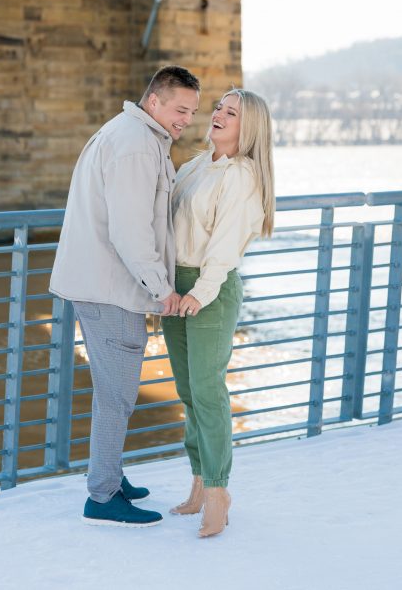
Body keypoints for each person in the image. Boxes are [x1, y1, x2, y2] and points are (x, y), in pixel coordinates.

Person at [50, 66, 200, 527]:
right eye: (180, 109)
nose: (187, 120)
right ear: (154, 101)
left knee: (113, 393)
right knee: (117, 396)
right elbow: (131, 230)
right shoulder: (136, 145)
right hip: (111, 289)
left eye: (193, 112)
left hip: (103, 284)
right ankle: (102, 495)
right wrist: (163, 289)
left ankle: (109, 473)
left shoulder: (131, 132)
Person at [161, 88, 276, 538]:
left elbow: (225, 245)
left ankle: (217, 491)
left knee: (208, 392)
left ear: (249, 129)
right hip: (176, 286)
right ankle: (197, 481)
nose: (219, 115)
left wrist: (201, 292)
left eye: (232, 112)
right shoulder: (195, 165)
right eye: (219, 108)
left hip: (210, 289)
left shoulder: (242, 176)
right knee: (188, 391)